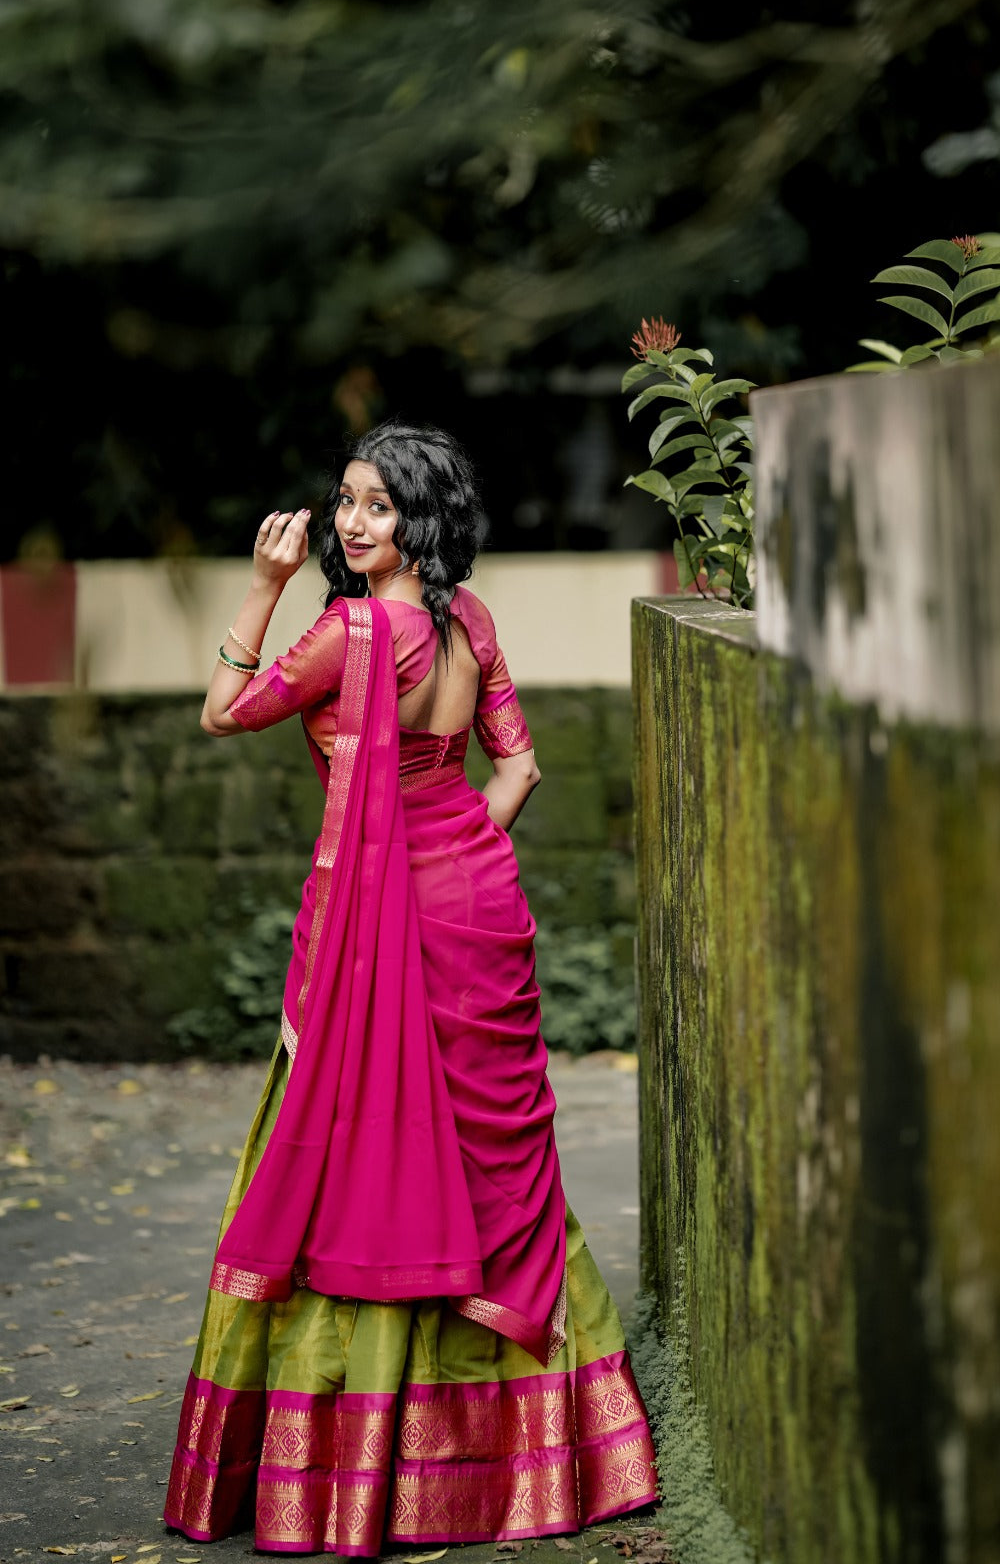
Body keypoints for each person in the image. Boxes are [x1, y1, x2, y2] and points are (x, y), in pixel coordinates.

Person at [163, 423, 657, 1556]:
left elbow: (223, 712)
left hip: (389, 921)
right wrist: (454, 859)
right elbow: (517, 764)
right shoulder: (470, 621)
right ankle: (550, 1455)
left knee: (362, 1154)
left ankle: (367, 1462)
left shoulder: (345, 631)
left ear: (419, 520)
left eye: (378, 506)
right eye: (344, 500)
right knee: (489, 1167)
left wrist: (259, 587)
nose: (350, 522)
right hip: (478, 905)